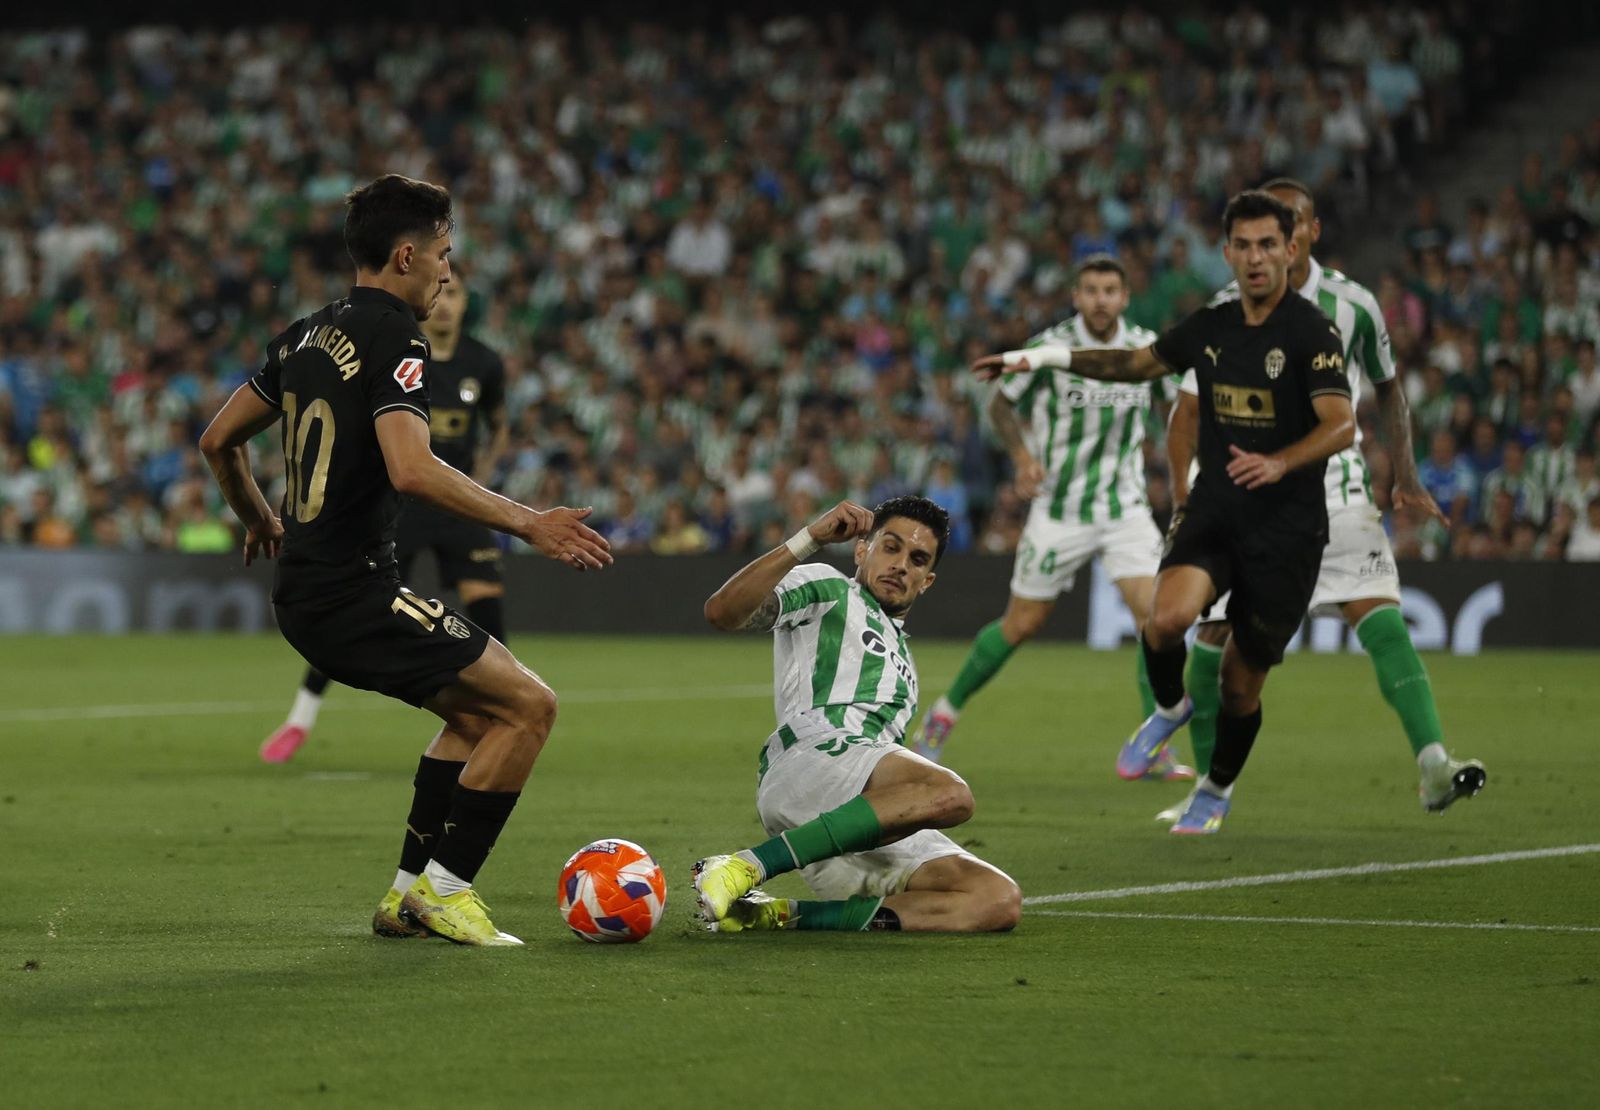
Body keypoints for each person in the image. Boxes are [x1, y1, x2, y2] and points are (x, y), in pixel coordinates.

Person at [198, 174, 611, 945]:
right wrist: (530, 523)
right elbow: (412, 469)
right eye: (445, 256)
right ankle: (448, 890)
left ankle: (404, 897)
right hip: (354, 591)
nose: (449, 273)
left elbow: (217, 440)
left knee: (476, 718)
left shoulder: (303, 335)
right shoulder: (398, 336)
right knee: (532, 707)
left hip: (303, 592)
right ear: (406, 254)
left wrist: (258, 516)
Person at [974, 189, 1354, 835]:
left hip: (1287, 528)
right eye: (1244, 245)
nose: (1257, 257)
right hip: (1216, 508)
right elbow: (1129, 364)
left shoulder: (1311, 332)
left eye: (1269, 244)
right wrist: (1039, 357)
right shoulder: (1212, 326)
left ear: (1290, 250)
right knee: (1163, 620)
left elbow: (1340, 424)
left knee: (1239, 687)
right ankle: (1171, 707)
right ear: (1227, 252)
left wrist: (1281, 462)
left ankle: (1217, 787)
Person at [1166, 178, 1486, 817]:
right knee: (1212, 647)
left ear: (1304, 234)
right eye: (1252, 240)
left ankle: (1432, 767)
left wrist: (1407, 473)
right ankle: (1211, 790)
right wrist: (1188, 497)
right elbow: (1189, 408)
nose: (1273, 247)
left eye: (1293, 226)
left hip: (1335, 494)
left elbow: (1389, 389)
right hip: (1247, 501)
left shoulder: (1354, 306)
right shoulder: (1225, 310)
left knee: (1385, 622)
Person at [910, 256, 1187, 780]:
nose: (1101, 298)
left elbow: (1181, 410)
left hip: (1125, 508)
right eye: (1091, 289)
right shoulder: (1047, 348)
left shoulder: (1148, 349)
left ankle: (1154, 743)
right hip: (1060, 509)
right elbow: (998, 405)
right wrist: (1021, 457)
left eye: (1110, 289)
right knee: (1021, 624)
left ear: (1125, 296)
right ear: (1077, 297)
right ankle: (941, 717)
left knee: (1155, 620)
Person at [690, 497, 1022, 933]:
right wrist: (809, 539)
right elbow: (722, 612)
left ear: (927, 580)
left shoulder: (905, 663)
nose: (901, 564)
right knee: (951, 794)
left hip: (852, 809)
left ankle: (777, 915)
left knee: (996, 900)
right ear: (862, 551)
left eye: (917, 559)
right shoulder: (830, 589)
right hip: (811, 758)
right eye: (891, 547)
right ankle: (744, 867)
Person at [260, 272, 510, 763]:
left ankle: (496, 708)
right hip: (404, 499)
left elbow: (499, 424)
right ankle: (299, 719)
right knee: (362, 604)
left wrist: (483, 472)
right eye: (444, 290)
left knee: (487, 599)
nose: (445, 303)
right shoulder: (398, 350)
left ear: (464, 306)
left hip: (457, 500)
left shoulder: (484, 363)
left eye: (456, 294)